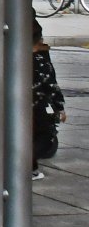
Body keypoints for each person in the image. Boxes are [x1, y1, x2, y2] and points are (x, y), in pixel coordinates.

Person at [35, 18, 67, 180]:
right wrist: (59, 107)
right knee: (43, 137)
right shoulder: (40, 61)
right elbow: (50, 84)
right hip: (37, 106)